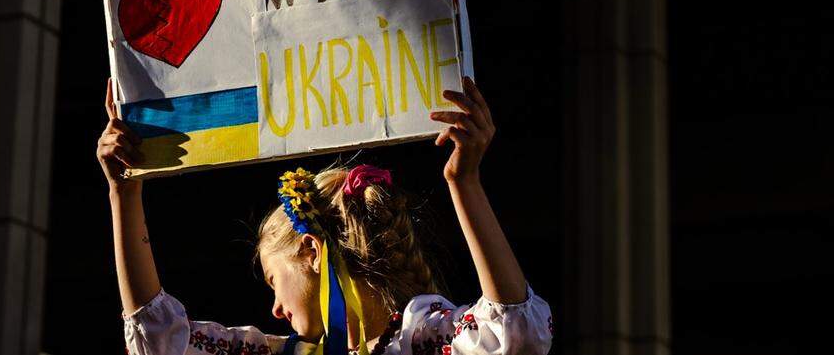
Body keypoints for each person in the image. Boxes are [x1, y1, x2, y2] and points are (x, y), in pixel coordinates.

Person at [98, 76, 553, 355]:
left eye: (275, 281)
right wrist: (124, 192)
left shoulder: (422, 340)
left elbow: (514, 333)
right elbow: (159, 340)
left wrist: (465, 183)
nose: (274, 308)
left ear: (312, 251)